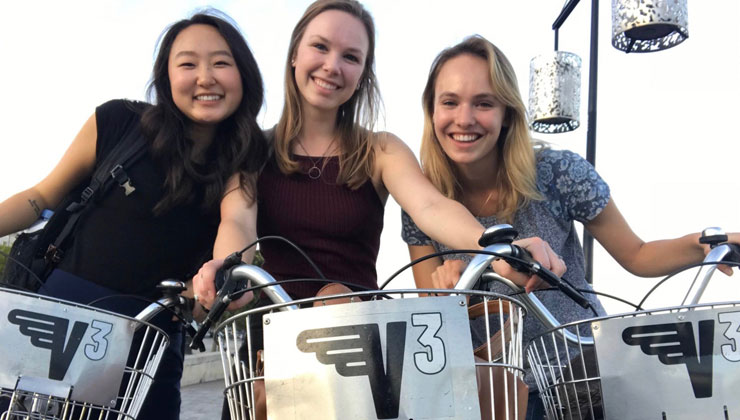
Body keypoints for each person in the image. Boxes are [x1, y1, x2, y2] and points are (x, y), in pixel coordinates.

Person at [401, 34, 739, 419]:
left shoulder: (555, 172)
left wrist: (705, 245)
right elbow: (431, 316)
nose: (464, 119)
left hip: (581, 367)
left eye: (484, 103)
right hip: (498, 389)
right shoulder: (422, 202)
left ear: (508, 113)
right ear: (431, 111)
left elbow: (637, 254)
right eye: (450, 102)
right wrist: (448, 287)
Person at [0, 11, 267, 420]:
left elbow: (238, 220)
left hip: (150, 339)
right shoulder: (118, 122)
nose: (205, 77)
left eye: (221, 63)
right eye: (188, 63)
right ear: (166, 76)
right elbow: (41, 195)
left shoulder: (245, 156)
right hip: (59, 317)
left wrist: (224, 269)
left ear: (243, 74)